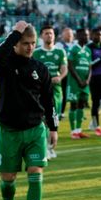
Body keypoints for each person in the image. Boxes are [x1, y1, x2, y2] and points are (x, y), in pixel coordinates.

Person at [0, 21, 56, 200]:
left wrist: (53, 128)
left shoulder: (40, 68)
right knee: (8, 180)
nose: (30, 47)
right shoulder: (5, 64)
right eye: (25, 43)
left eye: (33, 43)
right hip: (9, 130)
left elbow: (49, 100)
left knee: (35, 172)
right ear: (16, 44)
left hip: (35, 129)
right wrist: (15, 32)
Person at [34, 26, 68, 158]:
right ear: (42, 36)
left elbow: (64, 68)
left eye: (51, 33)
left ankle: (51, 147)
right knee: (43, 118)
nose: (49, 36)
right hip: (41, 90)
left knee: (55, 117)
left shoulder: (60, 52)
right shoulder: (36, 53)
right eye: (46, 33)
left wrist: (59, 77)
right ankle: (44, 147)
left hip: (57, 90)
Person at [66, 30, 92, 139]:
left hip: (85, 83)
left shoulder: (88, 50)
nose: (87, 37)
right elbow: (70, 65)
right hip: (74, 83)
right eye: (85, 35)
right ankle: (73, 132)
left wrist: (87, 81)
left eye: (87, 35)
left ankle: (79, 130)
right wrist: (79, 80)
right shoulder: (73, 48)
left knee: (81, 104)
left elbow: (90, 67)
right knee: (74, 105)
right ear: (78, 36)